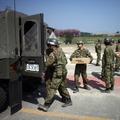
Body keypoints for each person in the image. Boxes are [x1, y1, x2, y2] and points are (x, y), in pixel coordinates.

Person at [38, 38, 72, 112]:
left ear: (52, 45)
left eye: (49, 45)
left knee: (52, 88)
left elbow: (48, 63)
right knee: (62, 86)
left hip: (57, 73)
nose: (48, 47)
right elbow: (65, 61)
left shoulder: (53, 53)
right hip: (63, 71)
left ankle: (46, 105)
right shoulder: (61, 51)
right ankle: (67, 100)